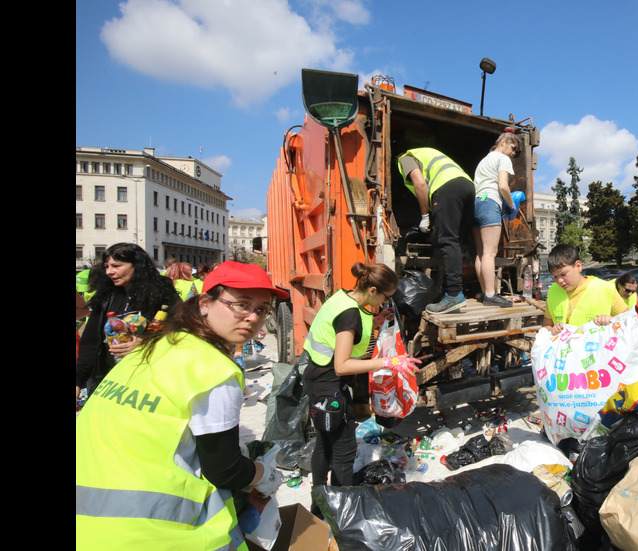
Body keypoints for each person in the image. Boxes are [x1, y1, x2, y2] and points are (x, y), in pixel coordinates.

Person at [75, 261, 286, 550]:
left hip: (88, 524)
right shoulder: (214, 370)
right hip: (154, 533)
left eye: (262, 309)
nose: (252, 317)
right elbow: (223, 470)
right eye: (241, 304)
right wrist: (264, 474)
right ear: (205, 303)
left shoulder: (158, 346)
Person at [302, 263, 419, 510]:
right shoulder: (350, 314)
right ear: (373, 289)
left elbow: (344, 335)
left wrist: (376, 322)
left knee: (324, 444)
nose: (386, 302)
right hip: (329, 386)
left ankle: (319, 504)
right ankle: (344, 510)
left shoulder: (342, 297)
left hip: (315, 378)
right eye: (386, 298)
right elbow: (342, 366)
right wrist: (390, 362)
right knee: (344, 451)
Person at [76, 243, 180, 406]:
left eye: (117, 266)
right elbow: (90, 341)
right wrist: (78, 380)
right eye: (107, 266)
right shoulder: (105, 297)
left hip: (146, 384)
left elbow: (181, 332)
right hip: (107, 381)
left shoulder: (162, 295)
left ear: (137, 266)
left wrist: (146, 343)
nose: (110, 271)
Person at [397, 147, 475, 314]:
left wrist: (424, 216)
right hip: (468, 186)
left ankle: (454, 295)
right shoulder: (428, 154)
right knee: (455, 242)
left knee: (448, 241)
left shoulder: (405, 158)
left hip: (447, 188)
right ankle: (454, 292)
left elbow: (419, 183)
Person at [472, 132, 521, 308]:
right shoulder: (502, 159)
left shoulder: (484, 161)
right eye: (513, 148)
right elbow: (503, 186)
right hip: (491, 202)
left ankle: (486, 292)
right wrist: (511, 205)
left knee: (481, 252)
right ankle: (492, 295)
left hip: (477, 203)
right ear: (503, 142)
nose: (514, 153)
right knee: (490, 252)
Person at [543, 244, 629, 335]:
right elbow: (546, 326)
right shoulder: (553, 291)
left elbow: (629, 323)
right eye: (555, 276)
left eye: (563, 274)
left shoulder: (605, 289)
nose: (559, 281)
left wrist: (611, 321)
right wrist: (552, 330)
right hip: (564, 348)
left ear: (578, 266)